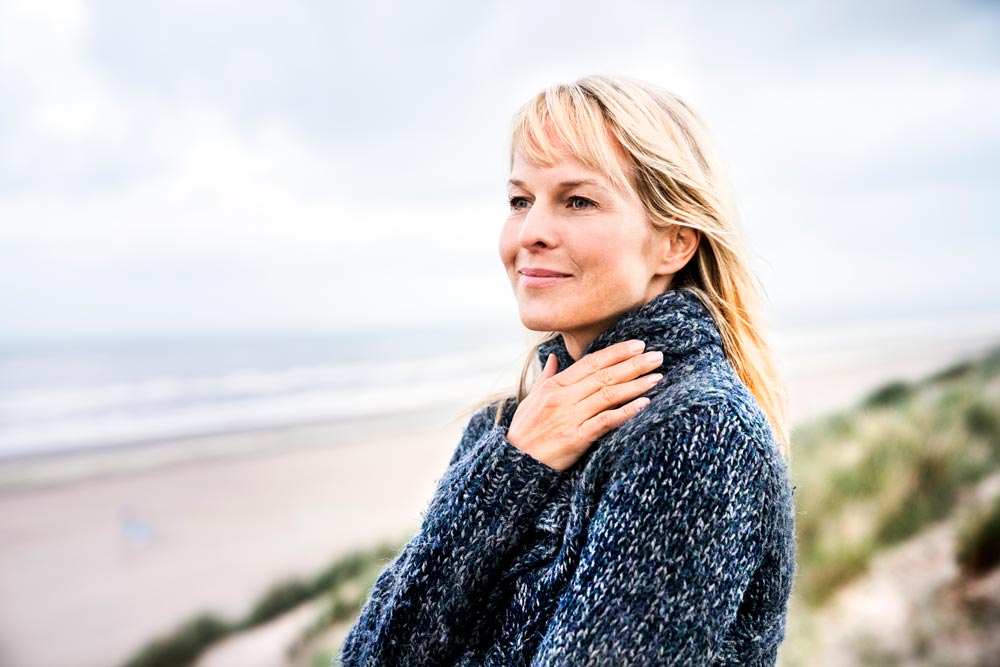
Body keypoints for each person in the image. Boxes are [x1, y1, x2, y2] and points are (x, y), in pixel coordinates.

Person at [337, 74, 797, 666]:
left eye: (577, 201)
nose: (531, 234)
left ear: (675, 241)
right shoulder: (506, 431)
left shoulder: (701, 433)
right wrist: (510, 474)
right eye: (520, 201)